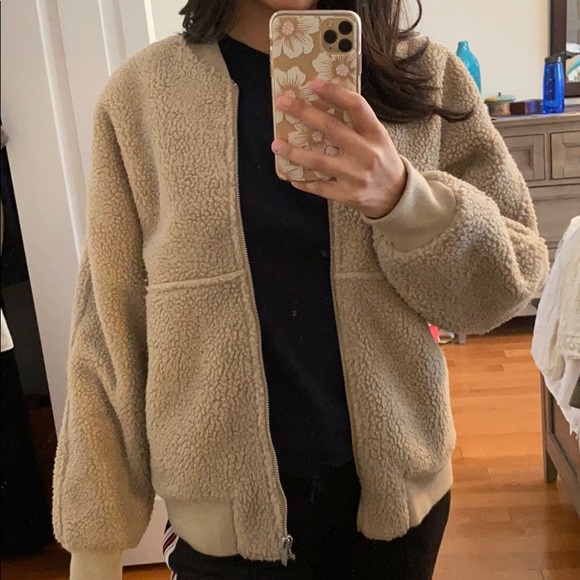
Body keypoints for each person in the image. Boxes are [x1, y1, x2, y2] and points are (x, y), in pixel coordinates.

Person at [52, 1, 549, 579]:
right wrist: (95, 546)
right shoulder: (142, 96)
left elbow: (507, 284)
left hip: (397, 516)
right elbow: (109, 326)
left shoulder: (427, 76)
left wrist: (404, 200)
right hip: (221, 529)